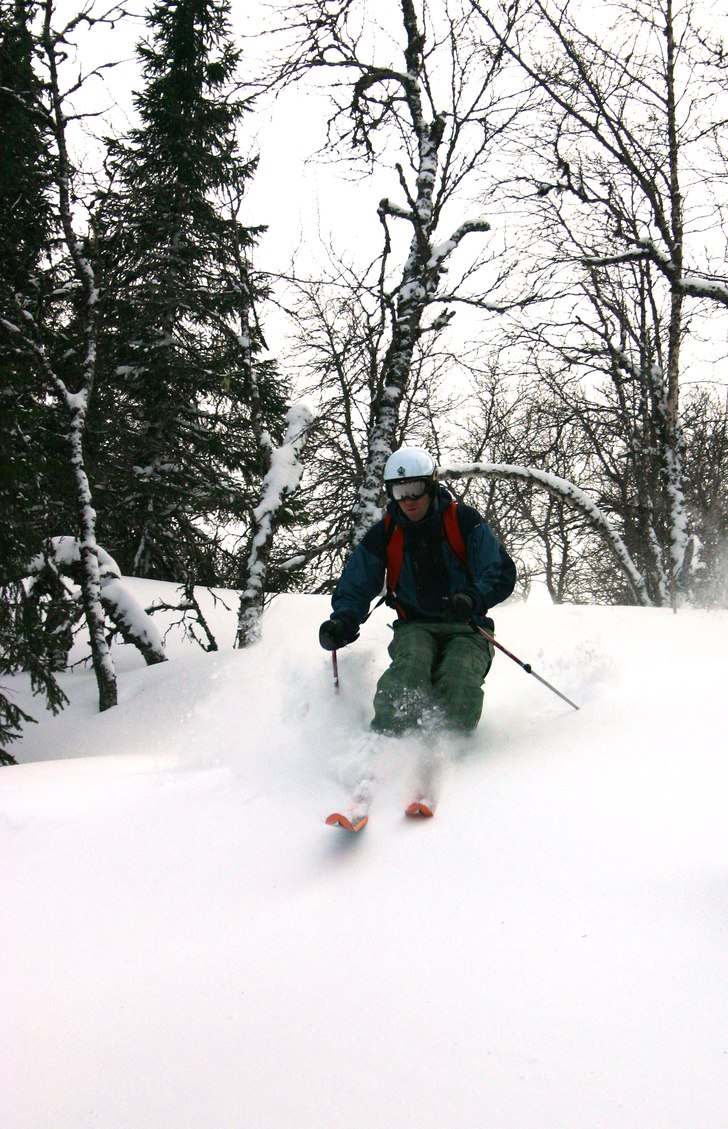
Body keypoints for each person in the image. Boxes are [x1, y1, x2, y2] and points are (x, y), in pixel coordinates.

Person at [318, 445, 516, 735]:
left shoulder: (463, 520)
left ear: (431, 485)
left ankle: (452, 749)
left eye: (415, 489)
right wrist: (343, 621)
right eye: (399, 492)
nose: (408, 500)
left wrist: (472, 598)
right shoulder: (386, 532)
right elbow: (357, 584)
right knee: (410, 669)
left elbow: (499, 572)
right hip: (415, 625)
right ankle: (389, 742)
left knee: (458, 675)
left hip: (467, 625)